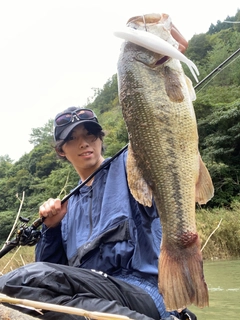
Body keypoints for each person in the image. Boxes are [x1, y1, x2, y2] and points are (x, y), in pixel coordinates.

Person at [0, 22, 197, 320]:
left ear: (101, 137)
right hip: (92, 297)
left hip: (148, 290)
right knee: (21, 295)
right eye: (72, 140)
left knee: (23, 279)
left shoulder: (130, 166)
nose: (84, 144)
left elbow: (160, 135)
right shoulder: (66, 208)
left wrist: (162, 73)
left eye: (90, 135)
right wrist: (51, 230)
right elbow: (57, 268)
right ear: (61, 151)